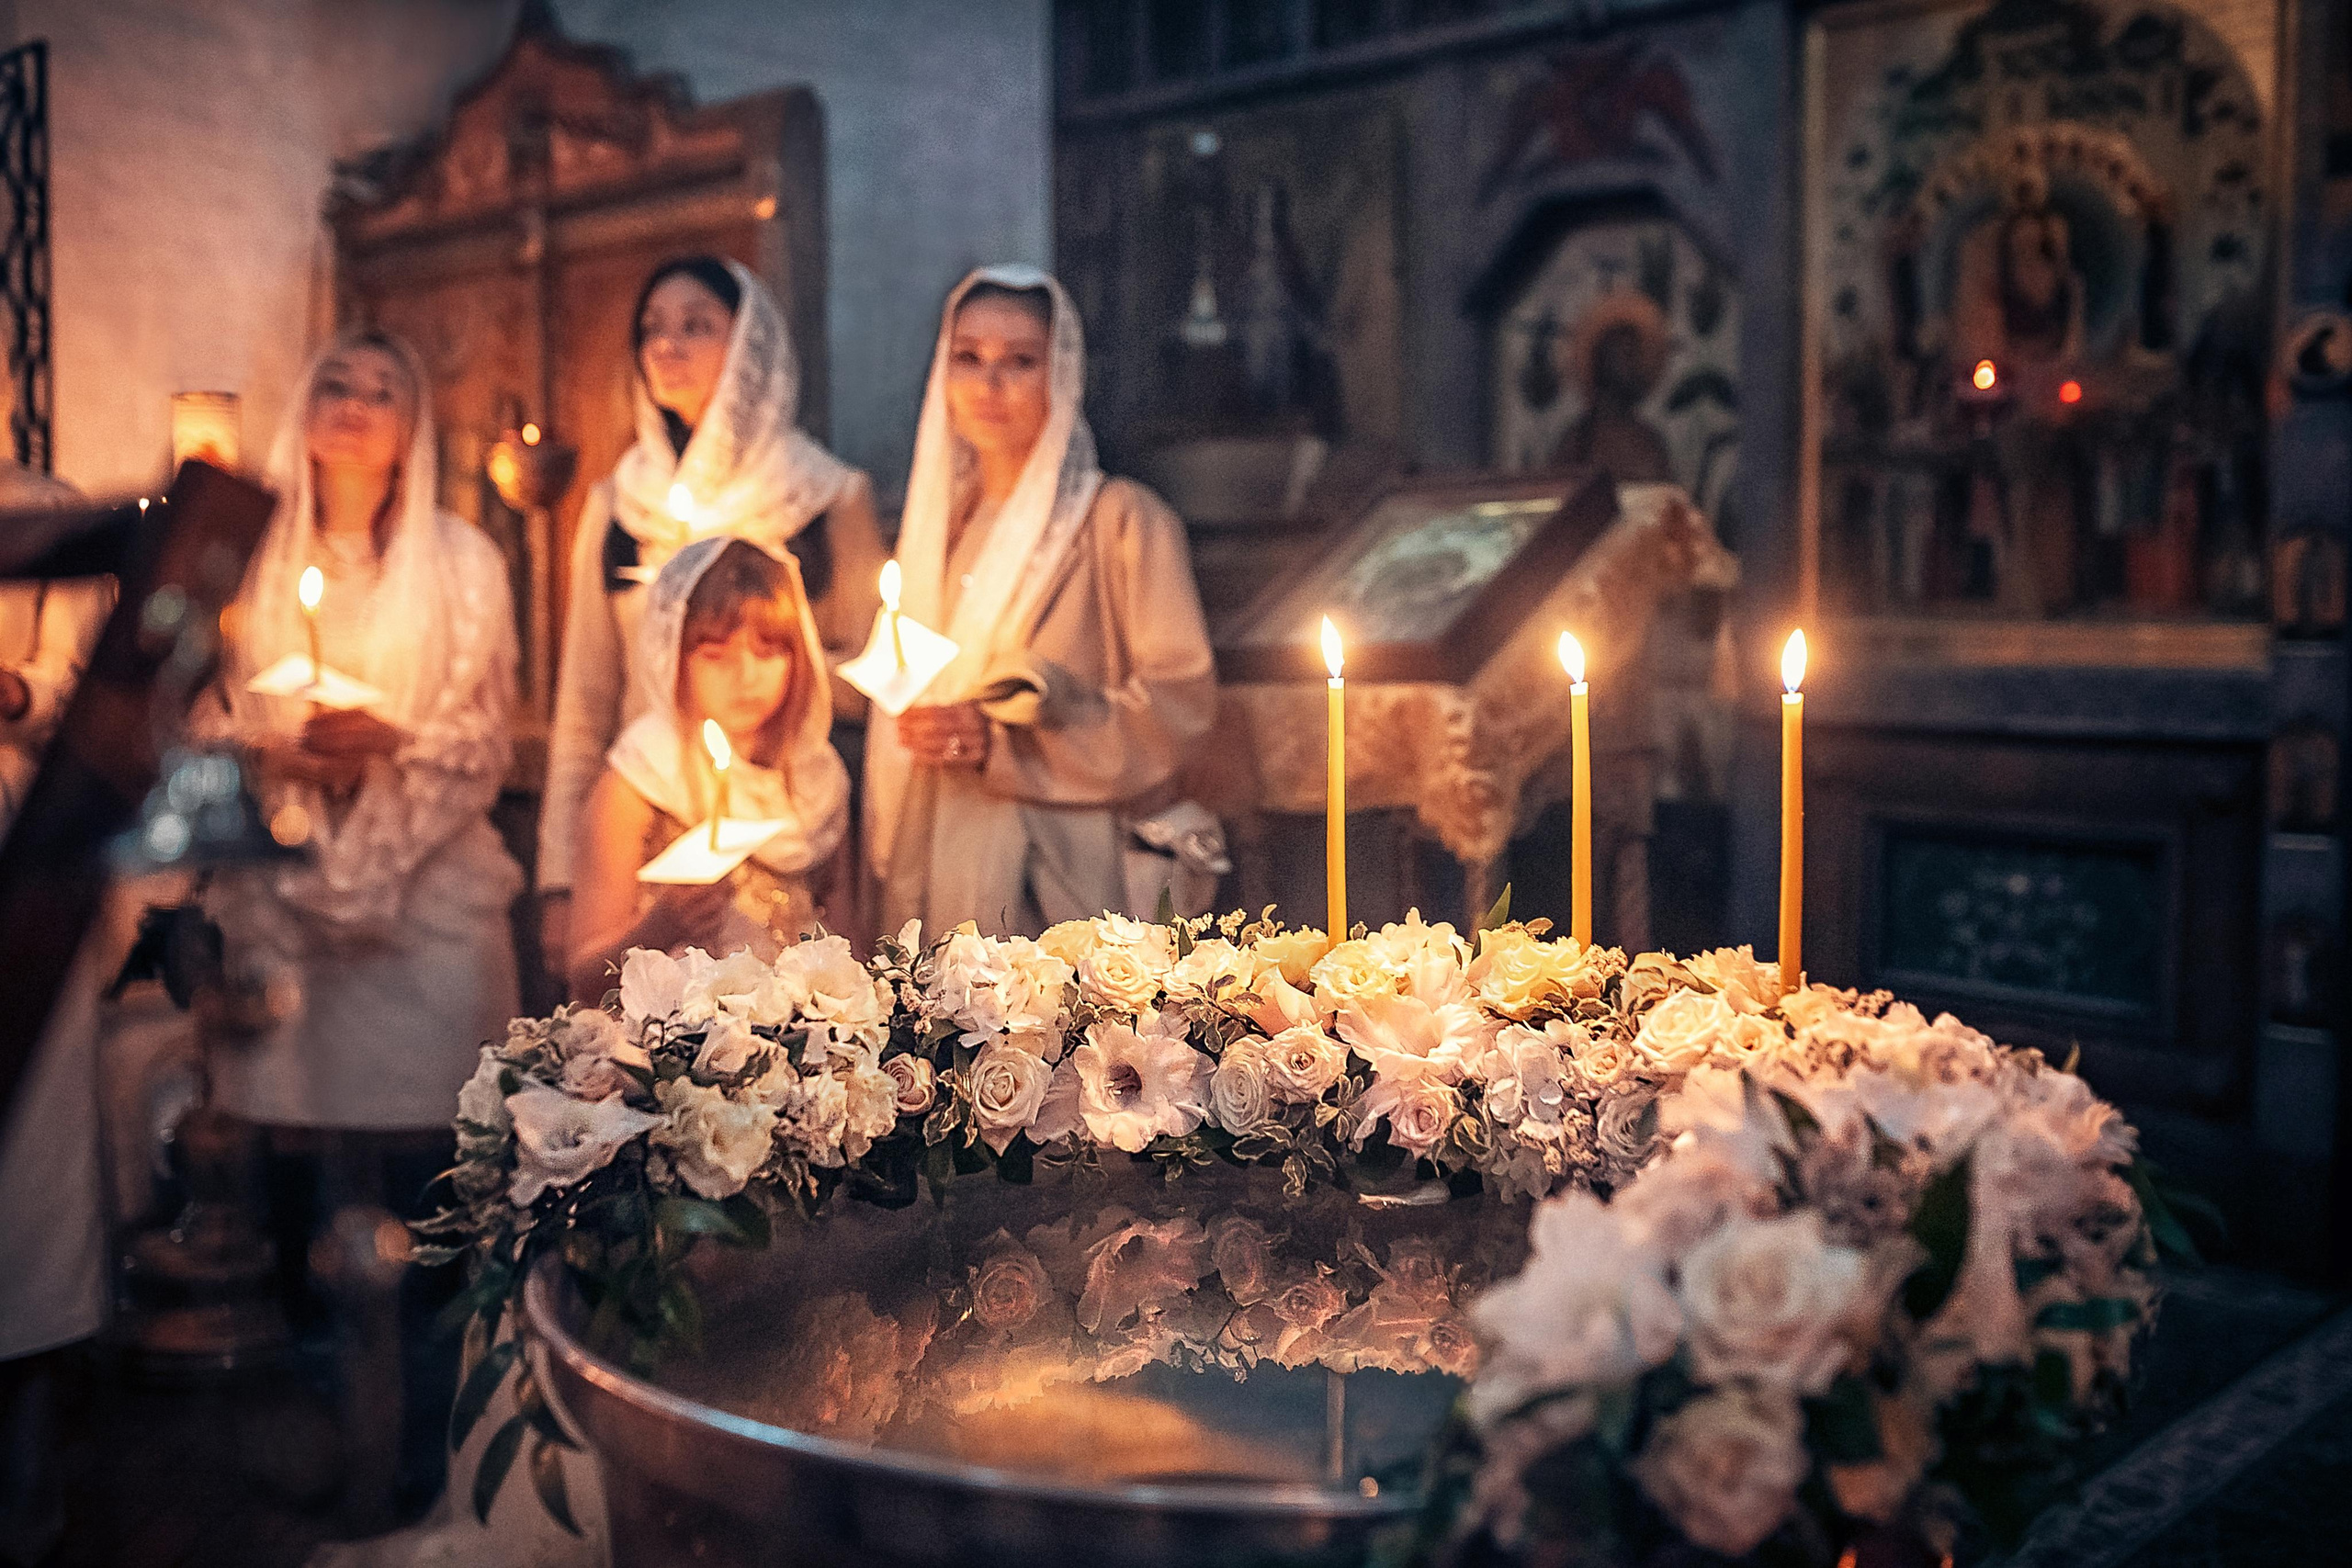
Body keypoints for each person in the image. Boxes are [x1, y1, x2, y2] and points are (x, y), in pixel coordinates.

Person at [192, 331, 520, 1519]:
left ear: (412, 426)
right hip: (283, 909)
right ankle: (334, 1450)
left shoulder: (466, 559)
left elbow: (484, 731)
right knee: (317, 1195)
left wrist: (391, 751)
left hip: (428, 911)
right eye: (337, 381)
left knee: (434, 1187)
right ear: (305, 405)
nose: (357, 404)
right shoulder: (247, 555)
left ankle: (436, 1448)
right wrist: (281, 753)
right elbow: (200, 714)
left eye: (386, 387)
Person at [538, 255, 883, 964]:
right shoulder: (619, 505)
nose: (667, 346)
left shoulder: (824, 496)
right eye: (653, 330)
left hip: (786, 804)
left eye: (697, 326)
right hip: (647, 814)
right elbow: (585, 700)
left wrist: (767, 659)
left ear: (750, 345)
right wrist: (557, 881)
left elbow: (873, 672)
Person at [869, 266, 1216, 938]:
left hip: (1055, 871)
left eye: (1020, 362)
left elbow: (1179, 705)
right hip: (932, 838)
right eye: (967, 358)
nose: (989, 385)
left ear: (1061, 375)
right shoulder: (937, 529)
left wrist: (1003, 739)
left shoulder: (1121, 520)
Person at [566, 536, 851, 1000]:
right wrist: (661, 927)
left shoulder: (815, 781)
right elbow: (582, 977)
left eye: (768, 652)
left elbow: (846, 944)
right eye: (715, 655)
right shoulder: (641, 781)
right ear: (673, 656)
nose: (745, 678)